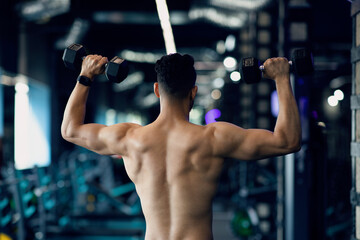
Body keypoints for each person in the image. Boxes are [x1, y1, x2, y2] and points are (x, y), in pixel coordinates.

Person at [61, 53, 301, 240]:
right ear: (193, 92)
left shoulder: (129, 138)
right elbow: (288, 140)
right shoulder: (214, 138)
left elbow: (70, 130)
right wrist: (281, 78)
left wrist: (86, 75)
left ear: (156, 89)